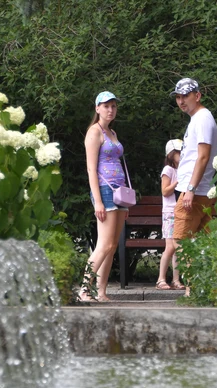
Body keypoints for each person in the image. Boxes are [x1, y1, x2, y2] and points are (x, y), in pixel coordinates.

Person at [170, 78, 217, 294]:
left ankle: (192, 289)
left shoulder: (202, 118)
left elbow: (203, 157)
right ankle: (201, 288)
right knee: (201, 240)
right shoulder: (198, 119)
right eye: (178, 97)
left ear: (197, 96)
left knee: (181, 240)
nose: (181, 101)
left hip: (195, 191)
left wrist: (190, 188)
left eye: (185, 96)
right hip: (199, 189)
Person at [82, 90, 129, 302]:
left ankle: (101, 292)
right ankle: (84, 289)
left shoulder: (113, 133)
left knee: (112, 246)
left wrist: (126, 202)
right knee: (105, 245)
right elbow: (91, 169)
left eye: (113, 106)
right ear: (97, 108)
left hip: (120, 193)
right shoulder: (95, 132)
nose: (110, 110)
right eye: (106, 106)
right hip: (105, 190)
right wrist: (98, 201)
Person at [157, 139, 184, 290]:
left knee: (178, 246)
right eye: (179, 152)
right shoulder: (168, 170)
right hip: (169, 212)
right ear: (171, 154)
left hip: (180, 211)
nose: (182, 154)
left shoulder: (183, 169)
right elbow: (165, 191)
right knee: (170, 247)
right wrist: (177, 183)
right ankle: (161, 279)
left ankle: (175, 279)